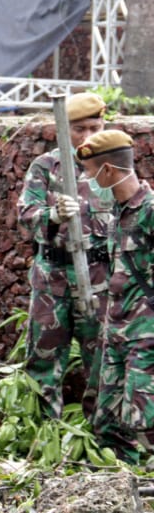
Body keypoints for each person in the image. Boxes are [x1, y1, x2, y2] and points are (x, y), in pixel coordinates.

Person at [17, 92, 112, 418]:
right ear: (63, 129)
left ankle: (102, 439)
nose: (88, 137)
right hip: (53, 278)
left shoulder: (110, 167)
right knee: (43, 362)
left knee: (102, 361)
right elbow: (26, 218)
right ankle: (44, 438)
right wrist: (52, 216)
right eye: (79, 129)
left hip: (99, 278)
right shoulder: (46, 167)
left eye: (94, 127)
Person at [73, 130, 154, 463]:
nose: (87, 180)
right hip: (116, 333)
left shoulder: (150, 211)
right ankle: (123, 489)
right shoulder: (117, 216)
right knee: (106, 422)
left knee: (144, 422)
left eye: (90, 172)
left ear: (107, 170)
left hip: (146, 336)